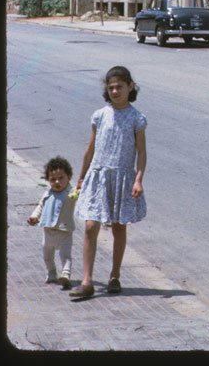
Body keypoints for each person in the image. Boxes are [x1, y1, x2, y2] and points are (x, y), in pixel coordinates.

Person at [69, 65, 147, 301]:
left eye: (119, 87)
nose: (115, 91)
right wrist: (81, 178)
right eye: (111, 87)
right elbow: (90, 149)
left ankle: (114, 275)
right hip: (98, 176)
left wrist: (138, 179)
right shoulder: (99, 115)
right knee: (91, 226)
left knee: (118, 226)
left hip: (122, 178)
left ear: (130, 87)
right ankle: (87, 281)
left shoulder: (137, 118)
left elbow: (141, 153)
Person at [27, 156, 78, 289]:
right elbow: (40, 206)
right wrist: (34, 217)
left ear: (69, 177)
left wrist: (79, 191)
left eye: (61, 178)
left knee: (65, 255)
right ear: (48, 180)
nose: (57, 182)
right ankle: (51, 272)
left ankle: (65, 275)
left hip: (64, 232)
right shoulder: (47, 194)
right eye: (53, 179)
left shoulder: (71, 193)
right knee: (47, 256)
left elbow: (79, 196)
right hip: (48, 232)